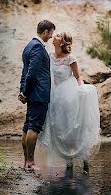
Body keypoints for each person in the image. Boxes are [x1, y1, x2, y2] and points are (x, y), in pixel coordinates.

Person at [38, 31, 100, 172]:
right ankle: (69, 163)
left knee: (75, 127)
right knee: (61, 126)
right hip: (56, 97)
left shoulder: (70, 58)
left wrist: (81, 90)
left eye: (58, 35)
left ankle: (85, 163)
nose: (54, 37)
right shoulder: (49, 57)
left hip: (70, 96)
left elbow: (78, 77)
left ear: (63, 42)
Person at [19, 19, 56, 171]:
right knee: (33, 128)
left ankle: (26, 161)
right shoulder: (38, 48)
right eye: (51, 33)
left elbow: (25, 72)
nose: (51, 37)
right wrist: (25, 92)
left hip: (32, 93)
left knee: (27, 127)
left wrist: (22, 91)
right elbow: (31, 74)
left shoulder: (29, 46)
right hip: (39, 94)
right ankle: (30, 163)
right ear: (46, 31)